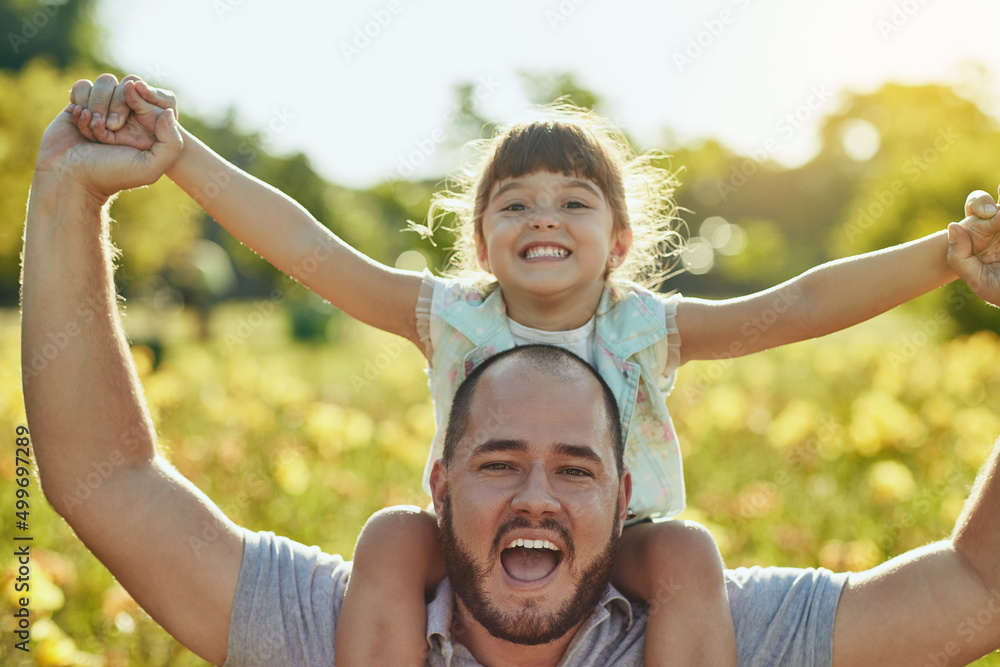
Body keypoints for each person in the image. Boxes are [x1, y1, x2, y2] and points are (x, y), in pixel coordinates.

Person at [20, 92, 1000, 666]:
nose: (544, 215)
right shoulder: (448, 318)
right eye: (515, 201)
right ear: (479, 236)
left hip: (642, 555)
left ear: (619, 243)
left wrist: (944, 255)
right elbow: (308, 250)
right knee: (388, 536)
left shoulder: (646, 328)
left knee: (688, 553)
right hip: (441, 564)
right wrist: (177, 159)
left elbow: (799, 303)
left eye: (574, 201)